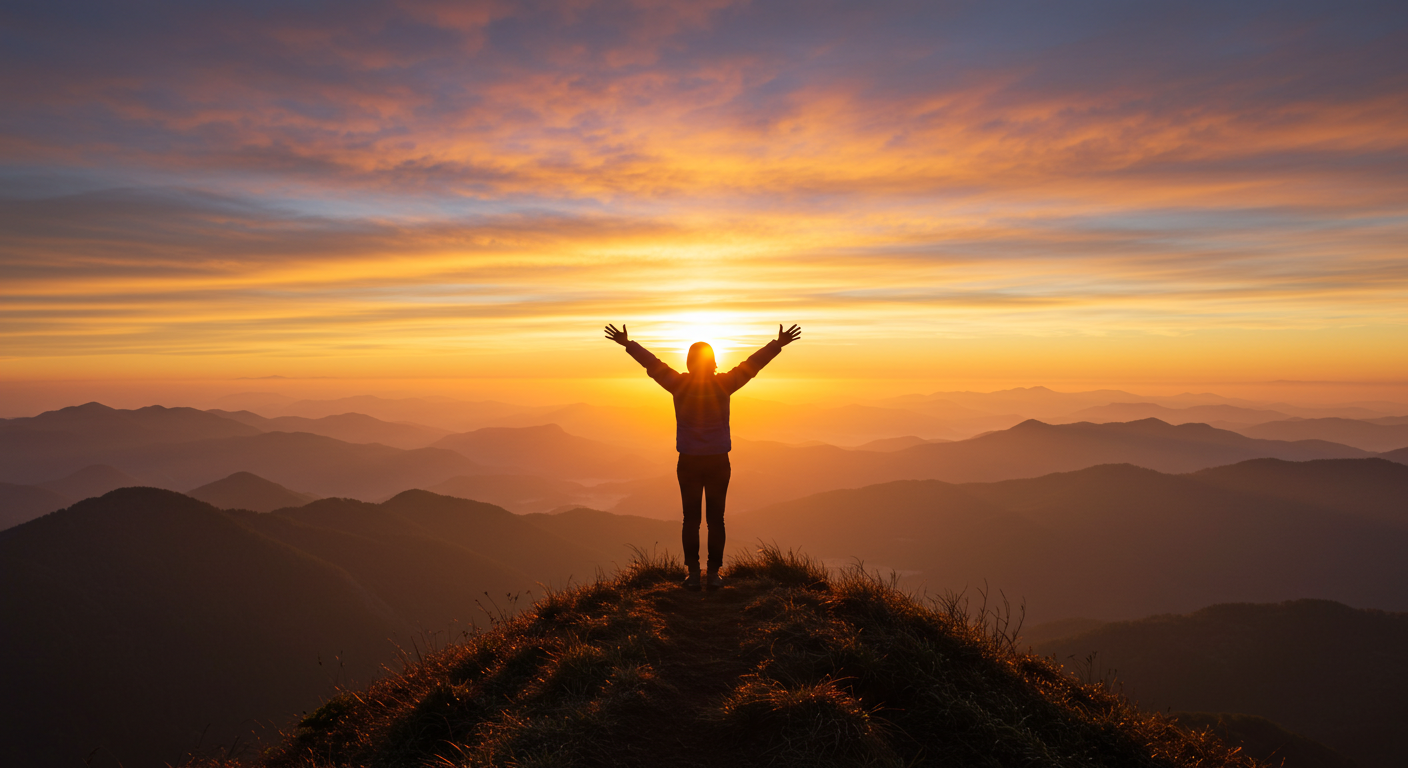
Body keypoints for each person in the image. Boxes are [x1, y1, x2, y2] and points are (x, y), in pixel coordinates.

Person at [605, 322, 802, 591]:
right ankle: (714, 575)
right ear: (712, 361)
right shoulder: (724, 384)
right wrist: (777, 344)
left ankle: (694, 574)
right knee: (716, 520)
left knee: (691, 520)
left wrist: (628, 344)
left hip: (688, 461)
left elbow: (652, 364)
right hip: (718, 461)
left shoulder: (678, 384)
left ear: (689, 361)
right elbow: (752, 365)